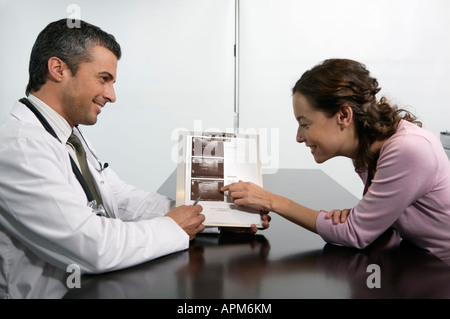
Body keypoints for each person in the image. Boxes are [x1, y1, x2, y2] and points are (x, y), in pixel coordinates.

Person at [0, 18, 268, 275]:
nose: (111, 96)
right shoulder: (21, 147)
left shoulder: (67, 134)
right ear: (58, 69)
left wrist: (215, 216)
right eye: (103, 79)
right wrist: (173, 227)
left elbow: (117, 198)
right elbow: (91, 247)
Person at [222, 58, 450, 264]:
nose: (299, 137)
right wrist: (363, 213)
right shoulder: (367, 151)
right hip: (419, 261)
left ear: (343, 115)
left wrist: (272, 200)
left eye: (305, 124)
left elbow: (355, 234)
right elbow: (384, 218)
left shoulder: (408, 149)